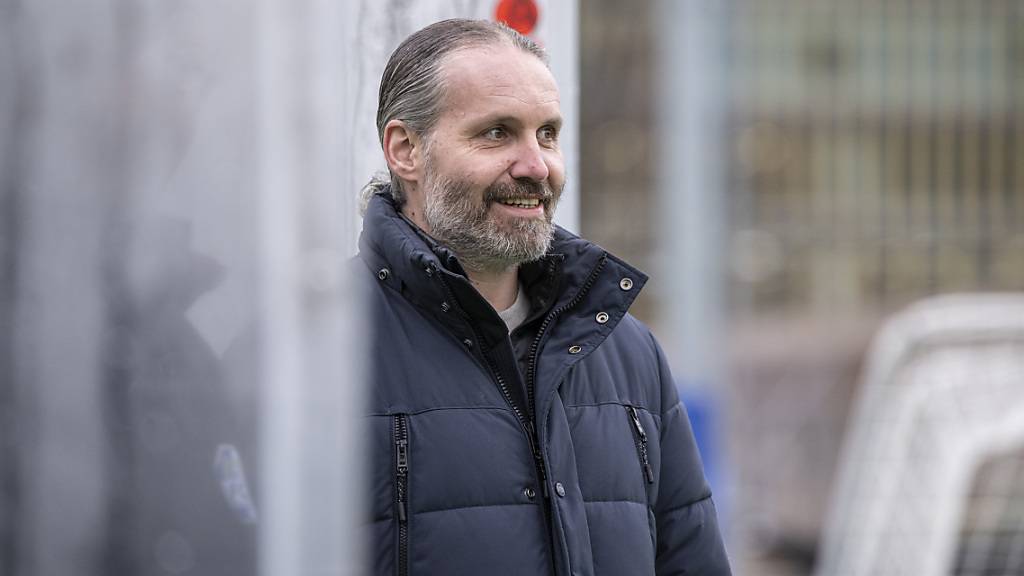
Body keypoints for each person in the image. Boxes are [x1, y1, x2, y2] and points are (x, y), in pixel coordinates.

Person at [357, 18, 731, 576]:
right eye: (496, 133)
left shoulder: (630, 353)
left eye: (548, 134)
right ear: (406, 149)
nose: (537, 166)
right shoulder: (319, 351)